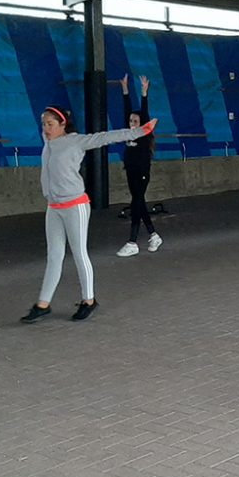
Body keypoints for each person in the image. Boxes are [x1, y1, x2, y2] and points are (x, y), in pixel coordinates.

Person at [22, 107, 156, 323]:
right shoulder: (48, 143)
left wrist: (139, 132)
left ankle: (89, 300)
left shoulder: (76, 141)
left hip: (75, 206)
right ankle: (43, 304)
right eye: (44, 124)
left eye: (50, 124)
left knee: (79, 253)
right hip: (54, 207)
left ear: (63, 124)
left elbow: (106, 137)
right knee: (54, 256)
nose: (46, 128)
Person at [116, 74, 163, 256]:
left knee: (136, 203)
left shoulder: (144, 133)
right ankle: (153, 234)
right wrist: (125, 90)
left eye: (136, 121)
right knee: (139, 202)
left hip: (142, 172)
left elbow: (144, 112)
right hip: (130, 171)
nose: (132, 123)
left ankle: (132, 241)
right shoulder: (128, 133)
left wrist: (144, 93)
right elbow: (126, 110)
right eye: (130, 121)